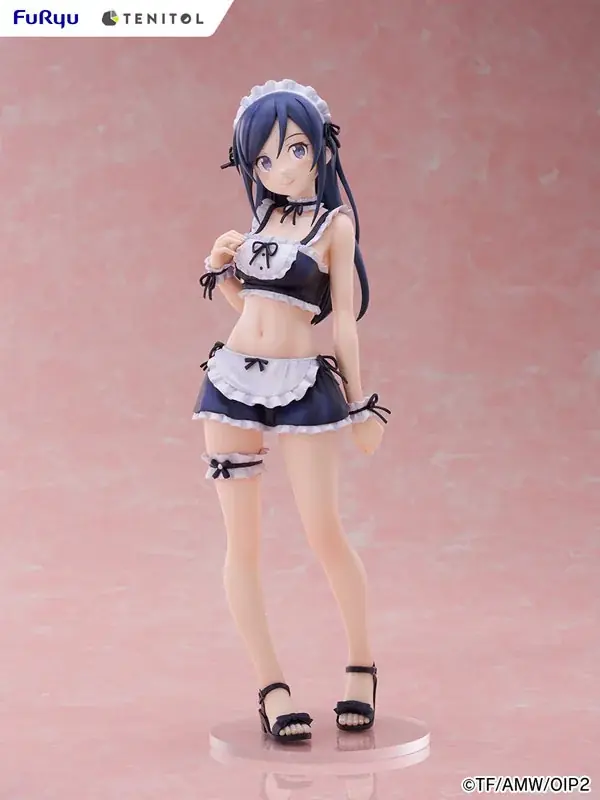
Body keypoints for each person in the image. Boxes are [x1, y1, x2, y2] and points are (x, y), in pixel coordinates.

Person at [194, 79, 390, 743]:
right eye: (264, 158)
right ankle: (271, 687)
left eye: (295, 149)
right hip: (231, 382)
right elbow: (252, 308)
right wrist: (221, 268)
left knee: (323, 531)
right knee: (241, 544)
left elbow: (343, 324)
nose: (279, 168)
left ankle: (361, 666)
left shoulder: (334, 225)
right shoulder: (259, 225)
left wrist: (360, 405)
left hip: (303, 385)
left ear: (321, 150)